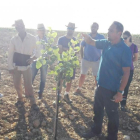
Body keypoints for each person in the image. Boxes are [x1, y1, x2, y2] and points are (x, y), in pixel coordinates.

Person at [82, 21, 132, 140]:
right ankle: (96, 130)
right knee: (97, 110)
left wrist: (120, 92)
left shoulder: (125, 50)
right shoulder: (106, 43)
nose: (108, 32)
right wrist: (86, 37)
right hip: (100, 85)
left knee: (112, 114)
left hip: (112, 89)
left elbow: (126, 72)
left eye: (111, 30)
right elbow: (91, 42)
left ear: (119, 33)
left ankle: (111, 137)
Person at [8, 19, 40, 110]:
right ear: (16, 28)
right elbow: (10, 54)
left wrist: (33, 59)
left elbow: (39, 50)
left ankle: (32, 102)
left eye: (21, 26)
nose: (19, 28)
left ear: (24, 26)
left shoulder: (32, 38)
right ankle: (20, 99)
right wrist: (10, 67)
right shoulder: (14, 39)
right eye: (17, 27)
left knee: (28, 84)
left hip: (27, 66)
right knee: (17, 84)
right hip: (16, 66)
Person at [75, 22, 105, 94]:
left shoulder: (101, 37)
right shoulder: (87, 36)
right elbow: (81, 46)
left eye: (95, 27)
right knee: (82, 75)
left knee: (96, 76)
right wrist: (82, 57)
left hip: (96, 60)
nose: (93, 28)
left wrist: (101, 57)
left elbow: (104, 48)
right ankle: (79, 88)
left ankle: (98, 90)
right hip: (86, 60)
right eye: (92, 27)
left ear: (97, 28)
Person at [57, 22, 78, 103]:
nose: (71, 30)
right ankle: (58, 96)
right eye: (69, 28)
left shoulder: (75, 40)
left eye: (72, 28)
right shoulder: (61, 39)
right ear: (67, 28)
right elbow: (59, 50)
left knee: (69, 80)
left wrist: (65, 49)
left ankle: (66, 95)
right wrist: (69, 50)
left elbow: (76, 52)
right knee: (60, 79)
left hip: (71, 63)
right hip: (62, 62)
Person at [120, 31, 138, 111]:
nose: (124, 39)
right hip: (119, 69)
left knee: (125, 87)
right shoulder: (120, 45)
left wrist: (128, 63)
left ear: (130, 37)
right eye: (122, 38)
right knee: (117, 85)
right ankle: (115, 101)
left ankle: (123, 104)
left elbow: (136, 58)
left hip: (129, 70)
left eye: (125, 38)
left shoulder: (134, 46)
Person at [32, 24, 48, 99]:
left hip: (44, 61)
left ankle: (40, 93)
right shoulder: (34, 39)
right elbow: (32, 50)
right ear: (37, 31)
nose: (42, 31)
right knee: (31, 77)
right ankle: (28, 92)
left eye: (43, 29)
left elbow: (49, 51)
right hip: (35, 60)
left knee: (43, 79)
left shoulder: (47, 40)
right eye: (40, 29)